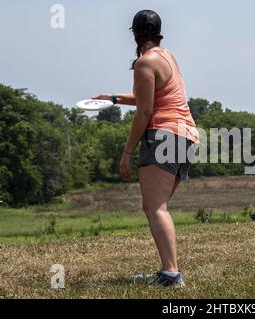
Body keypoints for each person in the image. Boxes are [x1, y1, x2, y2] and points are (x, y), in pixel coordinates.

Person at [93, 9, 199, 288]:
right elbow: (149, 97)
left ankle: (171, 275)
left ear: (135, 34)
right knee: (156, 207)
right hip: (187, 137)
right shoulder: (167, 57)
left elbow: (144, 111)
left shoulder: (144, 63)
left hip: (164, 135)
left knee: (156, 208)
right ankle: (169, 270)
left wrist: (127, 152)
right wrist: (113, 98)